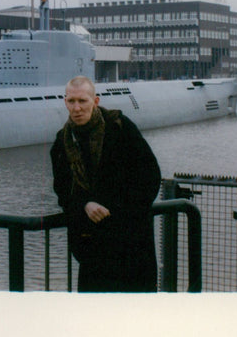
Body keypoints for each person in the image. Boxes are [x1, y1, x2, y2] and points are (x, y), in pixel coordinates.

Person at [50, 76, 161, 292]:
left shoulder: (120, 129)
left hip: (132, 246)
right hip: (93, 250)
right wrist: (85, 204)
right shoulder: (62, 142)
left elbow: (150, 178)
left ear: (96, 101)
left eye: (82, 101)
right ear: (65, 102)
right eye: (71, 101)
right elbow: (62, 190)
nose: (77, 108)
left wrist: (118, 211)